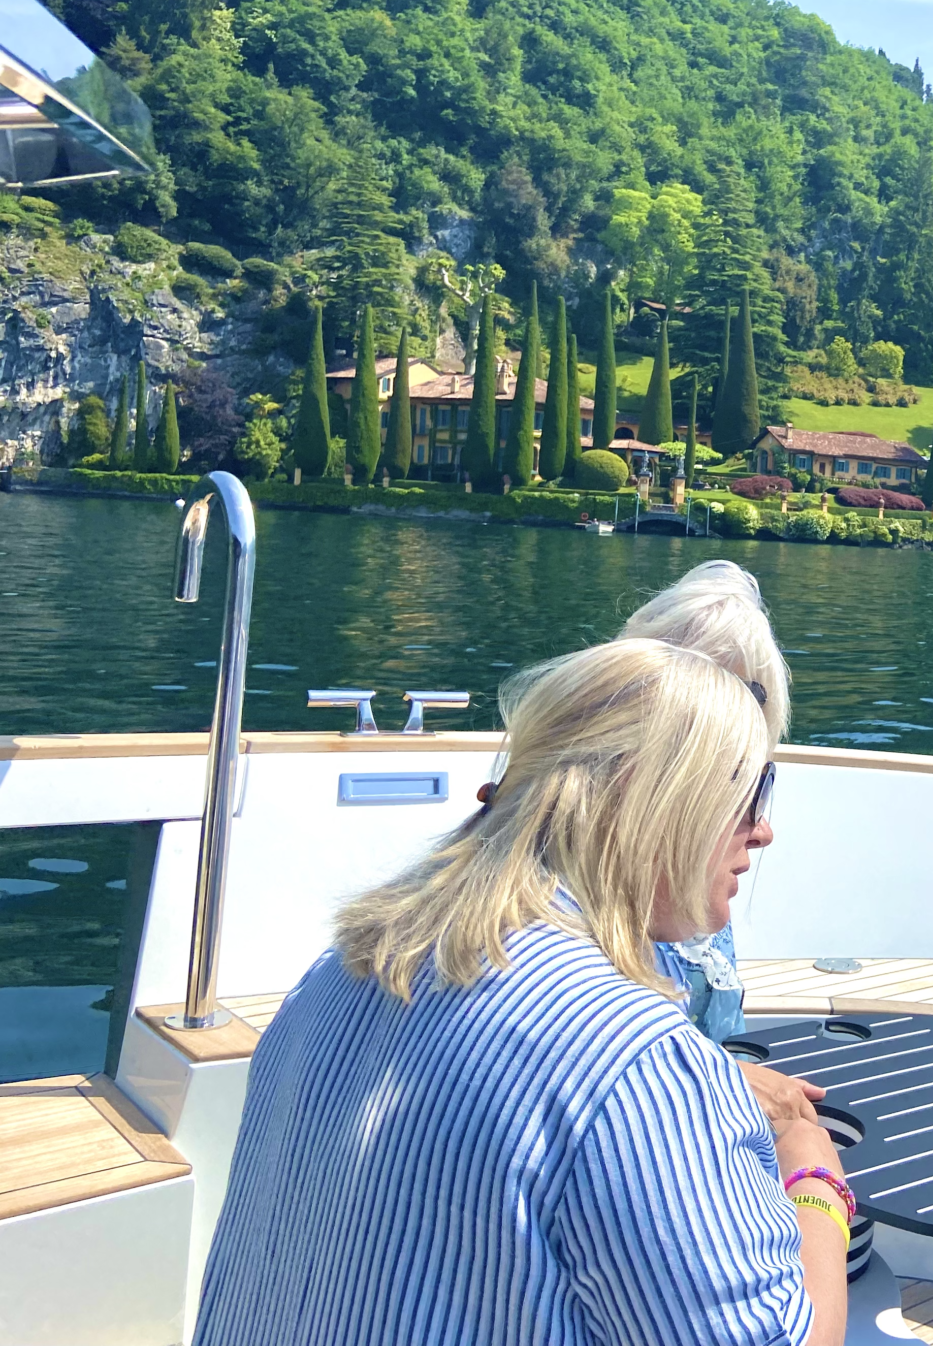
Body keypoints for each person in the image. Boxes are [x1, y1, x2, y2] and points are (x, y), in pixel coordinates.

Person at [195, 639, 849, 1346]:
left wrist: (695, 1100)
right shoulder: (636, 1060)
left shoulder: (344, 968)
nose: (764, 829)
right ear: (662, 801)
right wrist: (813, 1172)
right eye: (750, 791)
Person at [617, 559, 791, 1044]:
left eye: (754, 782)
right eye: (727, 782)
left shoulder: (693, 892)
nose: (762, 831)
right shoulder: (580, 963)